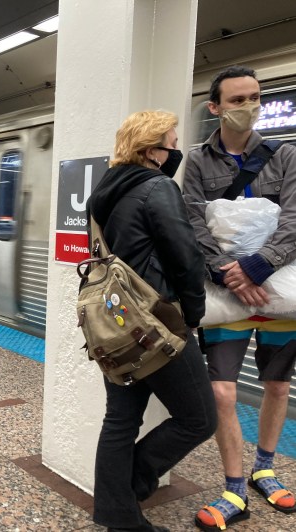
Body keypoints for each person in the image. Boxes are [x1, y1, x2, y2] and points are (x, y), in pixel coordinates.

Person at [88, 110, 217, 532]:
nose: (177, 150)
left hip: (117, 324)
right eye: (171, 144)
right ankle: (126, 489)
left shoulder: (105, 192)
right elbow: (185, 256)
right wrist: (193, 317)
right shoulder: (157, 186)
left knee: (120, 421)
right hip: (159, 323)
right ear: (151, 151)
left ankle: (118, 514)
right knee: (199, 419)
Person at [183, 65, 296, 530]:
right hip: (225, 293)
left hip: (278, 289)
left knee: (277, 385)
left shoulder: (285, 155)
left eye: (254, 96)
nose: (248, 105)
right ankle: (233, 487)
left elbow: (295, 217)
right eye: (236, 99)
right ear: (215, 107)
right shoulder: (197, 160)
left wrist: (256, 265)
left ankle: (264, 469)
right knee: (222, 391)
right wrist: (227, 274)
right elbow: (190, 222)